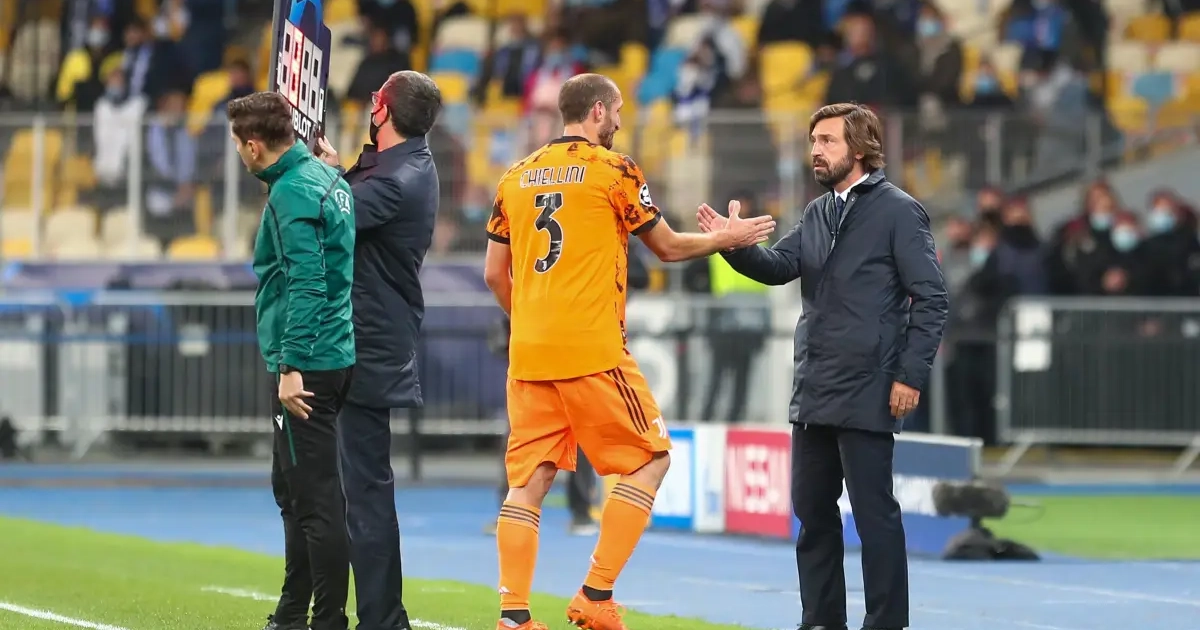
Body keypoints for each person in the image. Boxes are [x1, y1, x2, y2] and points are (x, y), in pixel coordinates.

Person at [482, 73, 775, 630]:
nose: (619, 121)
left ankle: (514, 617)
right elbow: (666, 247)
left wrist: (531, 321)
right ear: (597, 111)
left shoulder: (514, 176)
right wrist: (724, 239)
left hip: (530, 353)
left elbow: (495, 273)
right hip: (592, 349)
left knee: (528, 482)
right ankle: (595, 594)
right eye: (616, 111)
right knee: (651, 459)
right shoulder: (614, 169)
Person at [698, 102, 948, 630]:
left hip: (870, 384)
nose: (816, 150)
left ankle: (886, 623)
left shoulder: (899, 211)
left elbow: (931, 298)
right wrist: (731, 244)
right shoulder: (817, 212)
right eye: (813, 140)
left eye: (828, 141)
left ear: (860, 148)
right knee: (812, 512)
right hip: (815, 385)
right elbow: (777, 266)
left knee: (874, 515)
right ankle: (821, 620)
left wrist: (909, 375)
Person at [313, 70, 443, 630]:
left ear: (384, 109)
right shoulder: (398, 167)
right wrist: (332, 168)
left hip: (364, 347)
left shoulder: (399, 179)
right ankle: (354, 615)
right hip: (356, 339)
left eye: (377, 97)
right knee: (346, 487)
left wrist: (311, 173)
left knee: (363, 490)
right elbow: (346, 200)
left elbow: (329, 215)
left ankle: (383, 620)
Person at [229, 92, 357, 630]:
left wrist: (290, 366)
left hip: (307, 363)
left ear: (253, 146)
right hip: (333, 352)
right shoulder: (328, 177)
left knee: (315, 500)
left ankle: (327, 620)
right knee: (294, 489)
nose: (239, 153)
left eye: (238, 144)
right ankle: (291, 613)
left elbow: (308, 282)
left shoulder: (290, 193)